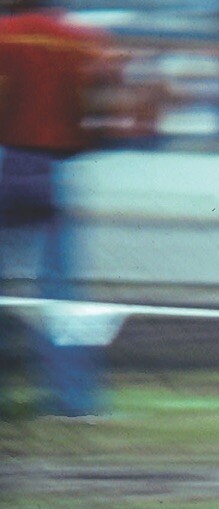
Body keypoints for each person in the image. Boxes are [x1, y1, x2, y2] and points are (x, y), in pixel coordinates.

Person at [0, 0, 108, 416]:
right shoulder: (83, 41)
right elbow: (95, 110)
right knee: (61, 292)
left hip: (9, 158)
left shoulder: (6, 35)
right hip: (57, 168)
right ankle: (74, 397)